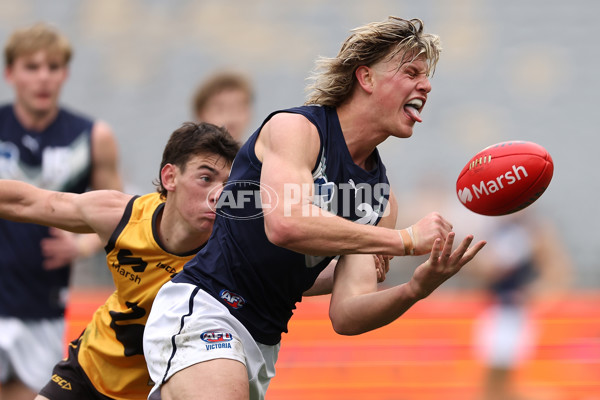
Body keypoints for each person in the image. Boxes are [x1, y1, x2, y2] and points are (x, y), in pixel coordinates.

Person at [143, 16, 487, 400]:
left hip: (262, 340)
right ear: (366, 78)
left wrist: (416, 288)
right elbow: (286, 224)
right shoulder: (298, 130)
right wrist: (402, 240)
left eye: (426, 76)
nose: (425, 85)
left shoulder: (380, 199)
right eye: (410, 72)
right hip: (206, 306)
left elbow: (347, 314)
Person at [0, 122, 238, 400]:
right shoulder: (121, 216)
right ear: (170, 177)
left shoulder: (232, 249)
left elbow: (297, 278)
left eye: (227, 184)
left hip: (153, 391)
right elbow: (27, 202)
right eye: (206, 179)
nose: (218, 194)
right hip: (87, 373)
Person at [0, 22, 122, 400]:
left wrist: (82, 247)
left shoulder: (91, 137)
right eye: (31, 67)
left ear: (65, 74)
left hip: (43, 307)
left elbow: (120, 218)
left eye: (53, 67)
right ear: (10, 73)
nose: (43, 77)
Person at [470, 211, 572, 400]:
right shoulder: (495, 229)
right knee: (493, 378)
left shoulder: (535, 230)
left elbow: (557, 273)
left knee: (500, 378)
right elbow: (480, 273)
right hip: (496, 309)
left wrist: (534, 294)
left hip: (514, 313)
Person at [191, 70, 254, 142]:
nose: (231, 115)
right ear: (200, 114)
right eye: (220, 110)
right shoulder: (185, 152)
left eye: (238, 109)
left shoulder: (258, 152)